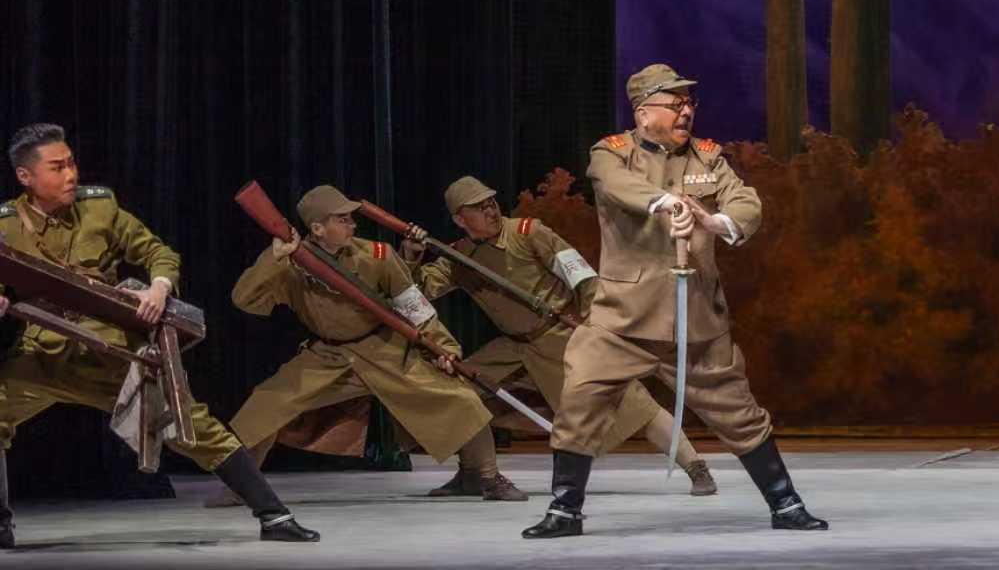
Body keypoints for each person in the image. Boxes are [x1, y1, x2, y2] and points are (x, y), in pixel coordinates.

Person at [522, 64, 827, 538]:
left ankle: (785, 504)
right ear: (644, 113)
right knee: (579, 401)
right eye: (675, 103)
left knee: (738, 413)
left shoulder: (708, 158)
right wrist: (667, 203)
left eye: (689, 103)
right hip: (623, 318)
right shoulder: (612, 153)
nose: (687, 111)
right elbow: (617, 186)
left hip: (695, 318)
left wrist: (716, 222)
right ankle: (564, 511)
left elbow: (745, 201)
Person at [0, 125, 319, 546]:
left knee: (191, 425)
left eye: (71, 162)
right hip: (43, 355)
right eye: (57, 167)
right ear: (25, 176)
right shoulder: (5, 224)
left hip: (111, 354)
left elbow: (157, 251)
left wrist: (159, 287)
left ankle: (274, 516)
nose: (71, 174)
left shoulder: (99, 207)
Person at [404, 175, 716, 496]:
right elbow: (418, 292)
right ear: (459, 219)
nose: (491, 211)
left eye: (491, 203)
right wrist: (413, 256)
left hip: (561, 337)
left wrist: (595, 326)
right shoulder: (458, 256)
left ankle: (696, 467)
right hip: (514, 347)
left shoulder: (528, 232)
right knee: (460, 391)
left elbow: (582, 276)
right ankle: (473, 472)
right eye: (479, 208)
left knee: (630, 402)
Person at [224, 184, 522, 502]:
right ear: (318, 228)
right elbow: (245, 300)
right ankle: (242, 488)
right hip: (328, 356)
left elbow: (413, 305)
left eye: (351, 218)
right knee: (265, 404)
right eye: (343, 220)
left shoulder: (377, 255)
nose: (353, 225)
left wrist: (445, 347)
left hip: (384, 349)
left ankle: (484, 476)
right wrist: (273, 258)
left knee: (461, 396)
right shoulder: (290, 264)